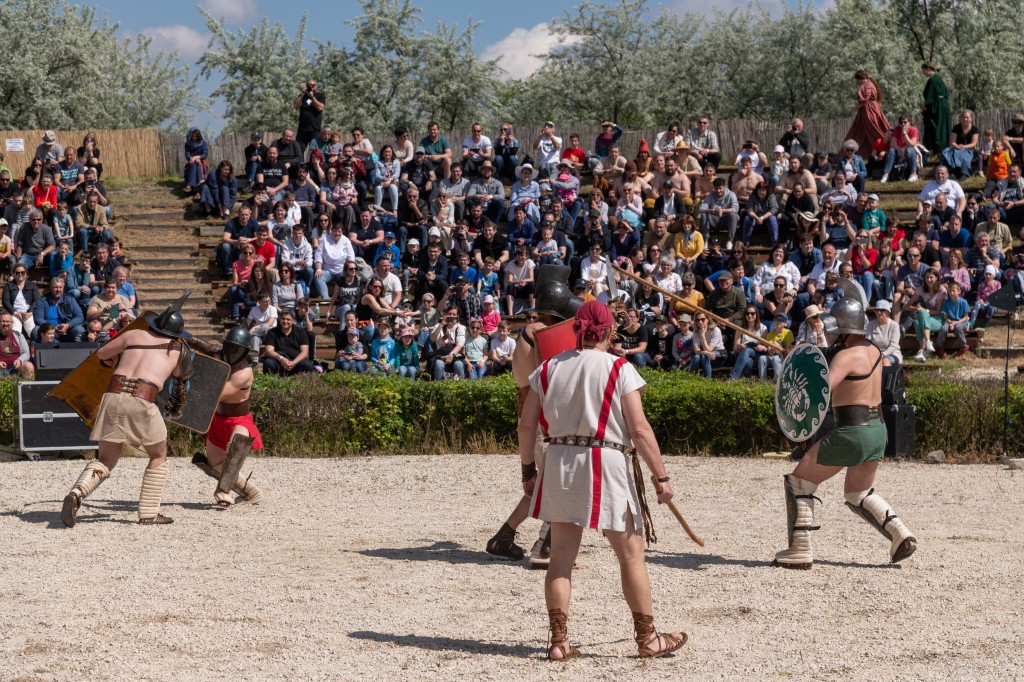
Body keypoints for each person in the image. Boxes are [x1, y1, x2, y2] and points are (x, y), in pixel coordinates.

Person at [518, 299, 685, 660]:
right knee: (631, 555)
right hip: (605, 461)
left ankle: (559, 642)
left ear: (576, 329)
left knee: (561, 557)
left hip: (560, 460)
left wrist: (528, 471)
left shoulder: (548, 367)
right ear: (610, 331)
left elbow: (526, 424)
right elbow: (639, 429)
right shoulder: (619, 367)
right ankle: (648, 638)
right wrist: (662, 477)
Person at [772, 298, 917, 569]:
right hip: (877, 430)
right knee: (858, 493)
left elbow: (819, 390)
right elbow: (833, 359)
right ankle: (901, 535)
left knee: (799, 482)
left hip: (852, 431)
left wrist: (795, 367)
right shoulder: (874, 351)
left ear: (843, 329)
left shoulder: (846, 356)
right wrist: (799, 353)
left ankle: (799, 550)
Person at [61, 299, 193, 527]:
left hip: (113, 397)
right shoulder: (178, 350)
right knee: (158, 453)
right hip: (142, 400)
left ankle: (76, 493)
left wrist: (117, 358)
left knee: (107, 458)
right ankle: (149, 513)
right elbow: (181, 378)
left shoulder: (133, 335)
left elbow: (102, 353)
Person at [190, 326, 264, 507]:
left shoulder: (244, 372)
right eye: (230, 348)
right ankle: (251, 492)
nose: (232, 353)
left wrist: (213, 362)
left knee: (236, 445)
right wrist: (189, 340)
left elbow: (216, 395)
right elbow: (199, 346)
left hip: (239, 420)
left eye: (236, 350)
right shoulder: (222, 357)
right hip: (218, 419)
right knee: (215, 465)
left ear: (244, 352)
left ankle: (223, 491)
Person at [845, 70, 890, 161]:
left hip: (869, 111)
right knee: (864, 130)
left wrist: (852, 110)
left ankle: (885, 148)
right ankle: (868, 152)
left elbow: (864, 100)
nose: (857, 82)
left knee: (874, 130)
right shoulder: (870, 84)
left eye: (858, 80)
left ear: (861, 78)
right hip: (873, 109)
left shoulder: (866, 85)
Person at [262, 309, 315, 375]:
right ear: (279, 320)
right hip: (278, 359)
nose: (285, 321)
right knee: (268, 363)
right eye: (283, 319)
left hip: (296, 360)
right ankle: (271, 379)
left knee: (307, 366)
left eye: (288, 319)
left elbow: (304, 352)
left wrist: (293, 362)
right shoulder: (272, 332)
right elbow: (269, 351)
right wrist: (281, 359)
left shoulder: (301, 332)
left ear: (293, 321)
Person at [920, 62, 951, 157]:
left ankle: (936, 152)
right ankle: (943, 151)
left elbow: (929, 97)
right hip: (944, 106)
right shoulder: (939, 79)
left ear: (928, 69)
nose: (923, 73)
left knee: (935, 128)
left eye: (924, 71)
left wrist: (925, 106)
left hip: (936, 108)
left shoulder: (932, 80)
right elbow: (945, 94)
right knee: (942, 129)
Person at [940, 110, 980, 180]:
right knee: (947, 154)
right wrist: (957, 146)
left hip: (969, 149)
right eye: (963, 117)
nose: (965, 119)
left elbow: (973, 144)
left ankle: (964, 173)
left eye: (967, 117)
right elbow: (952, 142)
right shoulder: (956, 128)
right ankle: (951, 172)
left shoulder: (974, 129)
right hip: (956, 148)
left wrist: (963, 147)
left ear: (971, 119)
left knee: (965, 155)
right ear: (961, 118)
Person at [0, 309, 33, 378]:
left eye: (7, 321)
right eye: (2, 321)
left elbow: (26, 353)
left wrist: (20, 360)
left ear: (12, 322)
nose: (5, 324)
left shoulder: (19, 335)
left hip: (16, 368)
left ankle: (27, 384)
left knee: (28, 366)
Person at [183, 127, 208, 194]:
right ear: (190, 135)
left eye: (196, 136)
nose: (195, 138)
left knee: (197, 166)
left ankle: (189, 186)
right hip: (191, 162)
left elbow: (205, 154)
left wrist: (196, 157)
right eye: (193, 136)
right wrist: (192, 159)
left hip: (201, 162)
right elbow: (187, 154)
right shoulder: (187, 144)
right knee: (193, 165)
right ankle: (196, 187)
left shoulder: (203, 143)